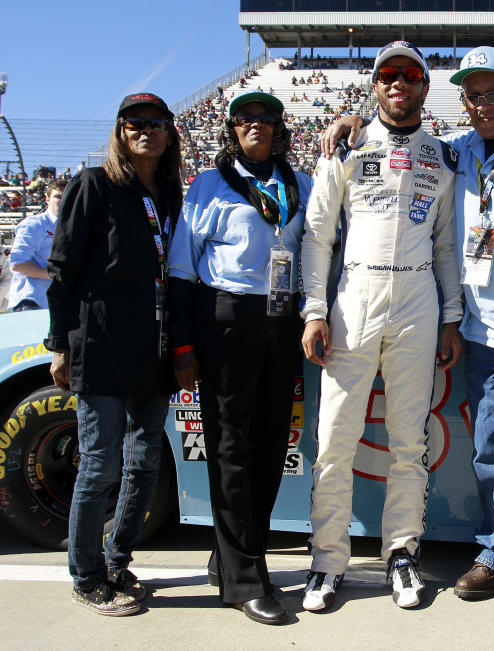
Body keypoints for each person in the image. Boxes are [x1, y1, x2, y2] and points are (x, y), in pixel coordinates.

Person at [320, 45, 494, 622]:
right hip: (479, 329)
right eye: (473, 95)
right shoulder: (458, 152)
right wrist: (353, 119)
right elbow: (396, 140)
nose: (483, 104)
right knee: (490, 453)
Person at [299, 40, 462, 613]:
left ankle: (402, 555)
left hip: (418, 296)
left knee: (408, 443)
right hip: (355, 295)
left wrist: (451, 317)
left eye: (410, 74)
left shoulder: (445, 158)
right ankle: (326, 562)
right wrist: (314, 310)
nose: (399, 83)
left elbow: (446, 246)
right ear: (374, 85)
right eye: (388, 74)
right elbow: (317, 236)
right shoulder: (344, 145)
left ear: (424, 84)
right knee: (334, 441)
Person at [167, 91, 312, 625]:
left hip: (282, 321)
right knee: (231, 449)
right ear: (233, 127)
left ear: (278, 128)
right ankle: (246, 579)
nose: (257, 125)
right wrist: (183, 344)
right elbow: (182, 268)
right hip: (225, 323)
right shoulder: (210, 183)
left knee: (272, 445)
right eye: (246, 118)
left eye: (266, 118)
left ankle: (231, 552)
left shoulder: (299, 184)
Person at [45, 93, 183, 616]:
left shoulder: (170, 192)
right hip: (99, 345)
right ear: (121, 132)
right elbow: (62, 270)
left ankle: (116, 558)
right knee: (100, 463)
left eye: (155, 123)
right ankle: (85, 576)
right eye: (134, 124)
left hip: (154, 348)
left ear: (170, 132)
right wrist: (60, 344)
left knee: (144, 462)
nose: (145, 131)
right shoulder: (94, 185)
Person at [7, 180, 66, 311]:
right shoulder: (35, 225)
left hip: (57, 302)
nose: (62, 201)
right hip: (32, 301)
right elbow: (17, 263)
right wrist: (55, 275)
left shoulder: (71, 229)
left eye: (66, 196)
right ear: (47, 199)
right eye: (57, 196)